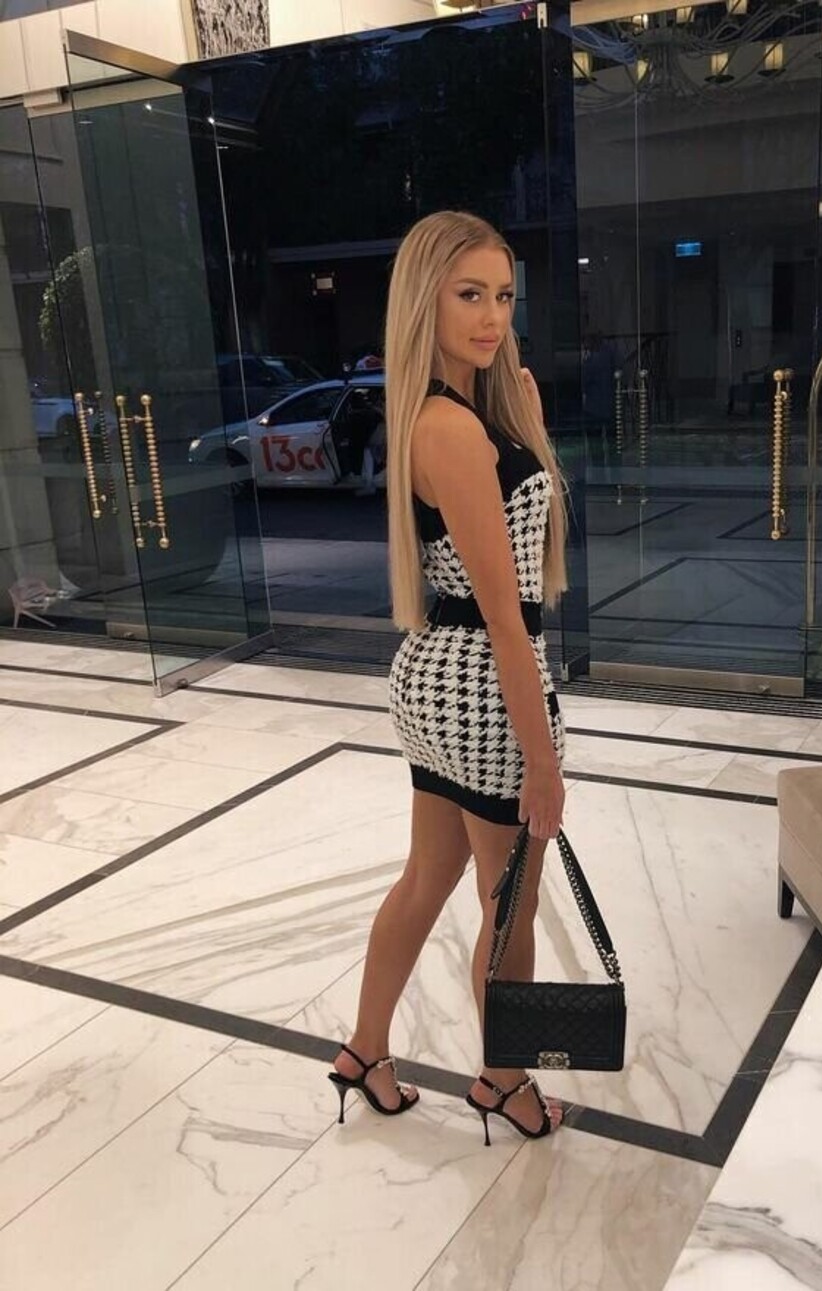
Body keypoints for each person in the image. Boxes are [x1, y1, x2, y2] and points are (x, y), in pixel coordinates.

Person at [328, 211, 569, 1143]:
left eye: (503, 295)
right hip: (483, 684)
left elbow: (515, 553)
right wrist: (542, 760)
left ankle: (364, 1050)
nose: (492, 316)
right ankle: (505, 1081)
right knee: (512, 903)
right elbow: (509, 614)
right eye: (469, 294)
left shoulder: (453, 414)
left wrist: (531, 428)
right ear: (424, 299)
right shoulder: (452, 428)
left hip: (438, 674)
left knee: (430, 874)